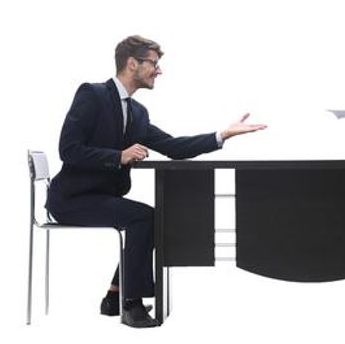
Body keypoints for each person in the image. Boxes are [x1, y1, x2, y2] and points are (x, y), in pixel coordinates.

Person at [47, 35, 267, 328]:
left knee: (147, 218)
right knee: (144, 218)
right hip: (71, 200)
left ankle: (115, 296)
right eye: (154, 63)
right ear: (132, 63)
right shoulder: (93, 94)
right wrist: (118, 156)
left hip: (100, 197)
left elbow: (174, 147)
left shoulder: (137, 113)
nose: (159, 70)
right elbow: (68, 149)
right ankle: (130, 303)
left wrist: (222, 135)